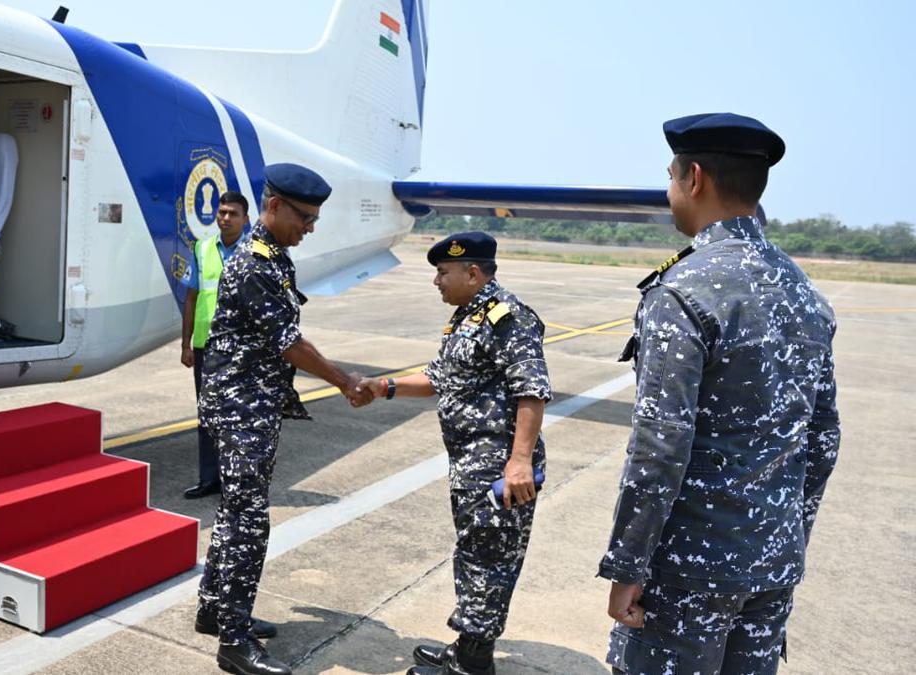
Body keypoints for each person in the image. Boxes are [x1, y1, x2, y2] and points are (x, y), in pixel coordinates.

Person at [599, 113, 840, 675]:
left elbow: (660, 447)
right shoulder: (804, 291)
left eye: (670, 176)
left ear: (696, 179)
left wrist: (628, 566)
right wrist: (785, 537)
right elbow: (824, 439)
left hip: (691, 571)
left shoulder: (684, 291)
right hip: (774, 561)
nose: (670, 191)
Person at [194, 163, 369, 675]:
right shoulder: (254, 263)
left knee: (234, 512)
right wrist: (344, 380)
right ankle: (234, 640)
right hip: (240, 404)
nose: (310, 227)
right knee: (248, 521)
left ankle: (214, 608)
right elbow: (289, 343)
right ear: (274, 206)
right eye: (306, 217)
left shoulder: (273, 255)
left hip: (249, 400)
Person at [356, 231, 551, 675]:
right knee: (474, 552)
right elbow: (438, 377)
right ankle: (469, 645)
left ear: (473, 272)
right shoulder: (468, 317)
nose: (437, 281)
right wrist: (383, 386)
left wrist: (519, 461)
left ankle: (472, 664)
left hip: (498, 466)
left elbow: (532, 392)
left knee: (490, 557)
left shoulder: (507, 317)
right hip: (470, 463)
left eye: (443, 273)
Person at [180, 190, 251, 499]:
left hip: (243, 348)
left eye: (233, 213)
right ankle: (210, 479)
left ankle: (237, 482)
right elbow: (192, 298)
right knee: (208, 415)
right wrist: (186, 344)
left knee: (240, 415)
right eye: (221, 212)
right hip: (207, 346)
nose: (225, 218)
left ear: (246, 219)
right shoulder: (202, 249)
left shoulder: (257, 253)